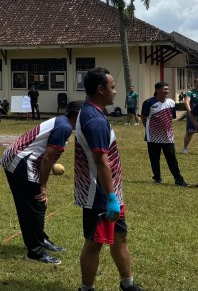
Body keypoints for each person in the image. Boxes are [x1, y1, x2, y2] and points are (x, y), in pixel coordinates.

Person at [74, 67, 144, 291]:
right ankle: (86, 288)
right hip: (100, 195)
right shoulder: (94, 120)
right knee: (94, 244)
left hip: (109, 191)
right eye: (112, 87)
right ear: (100, 89)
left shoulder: (93, 113)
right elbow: (101, 162)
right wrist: (111, 197)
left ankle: (128, 284)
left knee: (120, 236)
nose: (115, 92)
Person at [1, 100, 84, 264]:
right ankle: (35, 252)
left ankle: (41, 239)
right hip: (20, 161)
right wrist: (43, 186)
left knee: (35, 204)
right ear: (76, 115)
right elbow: (47, 157)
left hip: (18, 158)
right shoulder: (64, 127)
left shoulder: (62, 122)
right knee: (36, 203)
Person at [140, 82, 188, 187]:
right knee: (154, 159)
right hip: (153, 137)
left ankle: (178, 179)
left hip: (168, 137)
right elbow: (143, 117)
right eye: (164, 89)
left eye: (167, 89)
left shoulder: (171, 102)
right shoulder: (148, 102)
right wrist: (149, 129)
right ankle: (157, 178)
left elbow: (171, 117)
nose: (167, 91)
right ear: (157, 90)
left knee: (172, 159)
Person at [182, 77, 198, 154]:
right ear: (195, 83)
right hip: (193, 116)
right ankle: (185, 148)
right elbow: (187, 102)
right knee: (190, 132)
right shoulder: (190, 93)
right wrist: (190, 112)